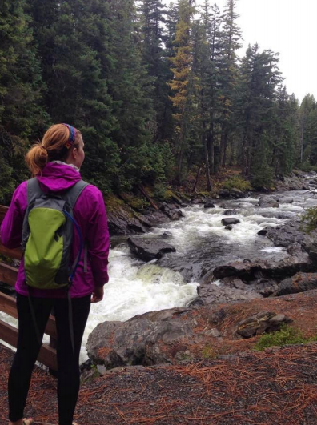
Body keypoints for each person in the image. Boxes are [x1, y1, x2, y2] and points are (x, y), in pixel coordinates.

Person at [0, 124, 110, 425]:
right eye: (83, 147)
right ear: (73, 153)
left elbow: (7, 236)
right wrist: (99, 284)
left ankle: (16, 419)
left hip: (30, 286)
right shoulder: (90, 195)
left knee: (25, 353)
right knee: (68, 360)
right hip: (73, 292)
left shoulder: (26, 189)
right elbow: (99, 251)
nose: (84, 153)